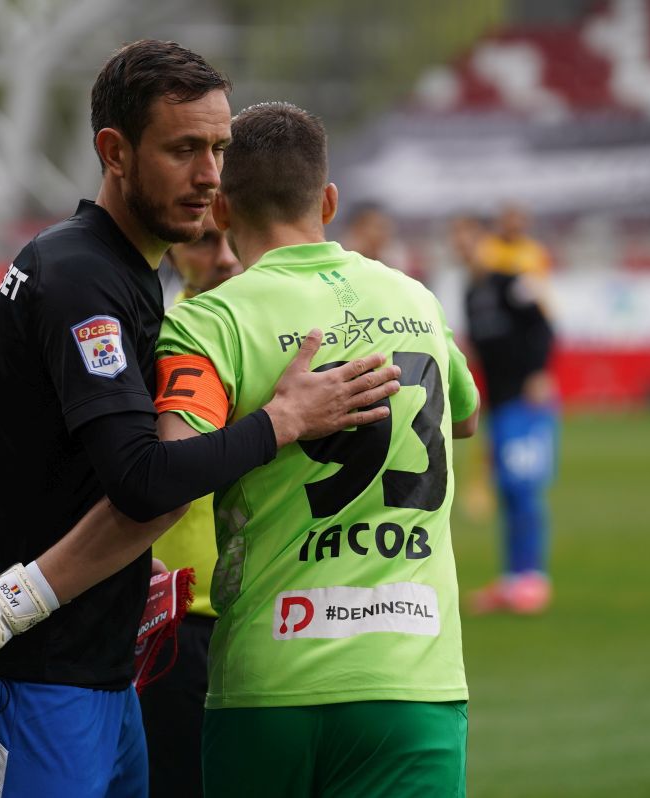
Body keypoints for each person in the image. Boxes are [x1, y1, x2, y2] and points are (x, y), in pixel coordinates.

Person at [0, 41, 400, 798]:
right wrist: (282, 421)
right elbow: (142, 478)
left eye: (219, 148)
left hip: (97, 671)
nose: (212, 175)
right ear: (114, 152)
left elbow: (70, 470)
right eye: (184, 149)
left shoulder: (121, 271)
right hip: (35, 682)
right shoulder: (83, 276)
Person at [153, 101, 480, 798]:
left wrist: (276, 421)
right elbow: (466, 414)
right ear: (328, 200)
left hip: (268, 685)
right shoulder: (415, 301)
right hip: (412, 679)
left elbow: (172, 469)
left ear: (220, 211)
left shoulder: (209, 322)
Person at [140, 215, 241, 798]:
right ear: (173, 250)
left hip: (269, 614)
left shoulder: (283, 337)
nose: (224, 257)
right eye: (205, 240)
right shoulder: (153, 336)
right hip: (179, 619)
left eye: (233, 238)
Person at [453, 211, 558, 615]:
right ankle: (515, 580)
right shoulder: (470, 292)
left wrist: (538, 373)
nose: (462, 247)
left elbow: (546, 328)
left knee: (523, 488)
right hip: (499, 406)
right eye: (457, 240)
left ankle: (532, 579)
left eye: (469, 238)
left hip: (526, 401)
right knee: (508, 490)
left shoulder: (512, 283)